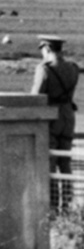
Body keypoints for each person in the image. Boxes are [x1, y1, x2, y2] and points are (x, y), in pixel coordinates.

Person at [32, 36, 79, 188]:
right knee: (65, 162)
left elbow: (36, 97)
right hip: (68, 116)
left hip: (51, 117)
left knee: (50, 161)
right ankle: (67, 202)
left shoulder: (44, 68)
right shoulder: (73, 67)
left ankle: (52, 203)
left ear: (47, 48)